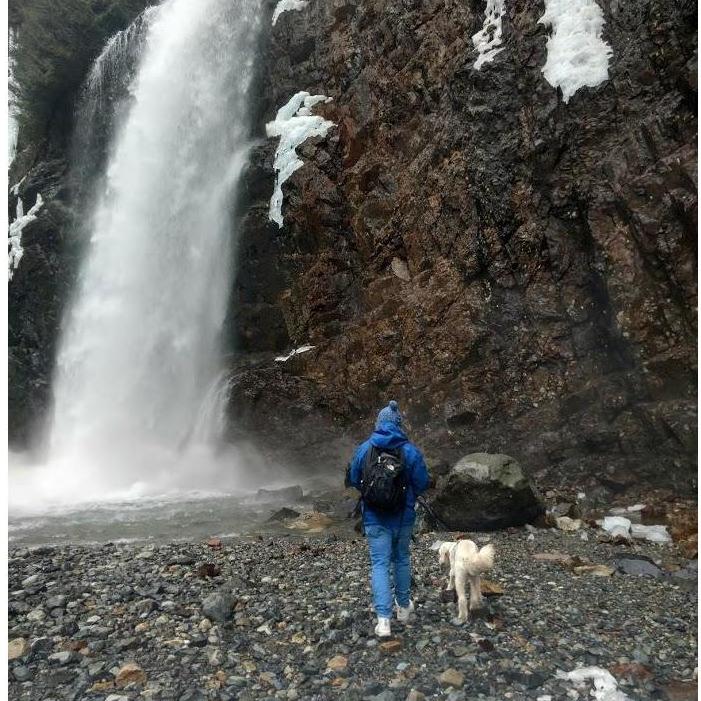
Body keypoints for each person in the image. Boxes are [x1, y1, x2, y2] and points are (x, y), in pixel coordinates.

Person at [346, 400, 431, 637]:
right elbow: (423, 483)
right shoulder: (410, 451)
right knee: (401, 559)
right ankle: (403, 608)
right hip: (403, 516)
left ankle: (383, 621)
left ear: (379, 423)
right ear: (398, 424)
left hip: (374, 516)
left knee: (380, 564)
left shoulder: (366, 449)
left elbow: (353, 478)